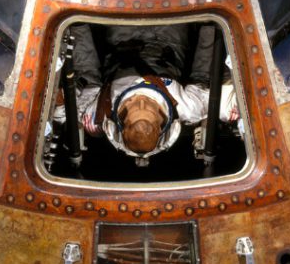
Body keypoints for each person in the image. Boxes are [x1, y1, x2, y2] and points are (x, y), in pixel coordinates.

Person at [58, 22, 240, 166]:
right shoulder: (187, 108)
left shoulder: (97, 113)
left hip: (121, 30)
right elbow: (205, 75)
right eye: (149, 112)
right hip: (171, 31)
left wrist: (78, 27)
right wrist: (209, 25)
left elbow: (86, 72)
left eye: (133, 110)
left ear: (120, 121)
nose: (142, 104)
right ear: (162, 122)